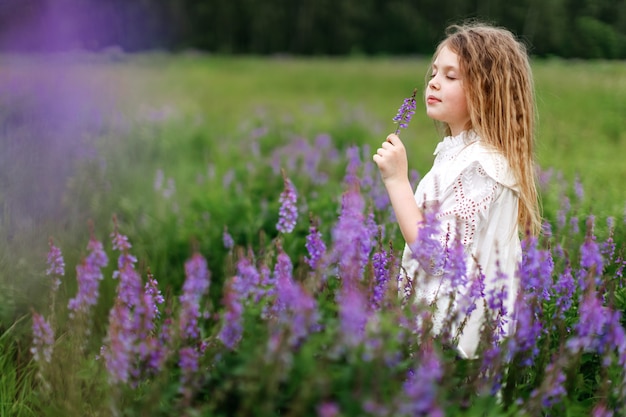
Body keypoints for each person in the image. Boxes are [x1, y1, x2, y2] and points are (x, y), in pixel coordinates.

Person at [372, 22, 541, 359]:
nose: (434, 82)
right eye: (435, 72)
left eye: (451, 76)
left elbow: (436, 257)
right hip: (438, 329)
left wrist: (396, 181)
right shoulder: (460, 152)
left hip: (454, 345)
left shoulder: (482, 166)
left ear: (485, 90)